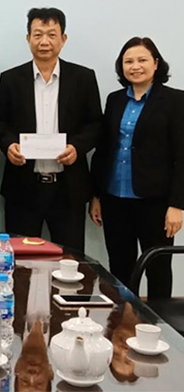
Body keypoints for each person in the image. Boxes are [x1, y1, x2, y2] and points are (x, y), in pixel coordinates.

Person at [0, 8, 102, 252]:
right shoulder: (11, 79)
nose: (44, 41)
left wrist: (77, 147)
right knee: (20, 261)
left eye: (52, 35)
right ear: (28, 38)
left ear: (63, 39)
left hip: (68, 188)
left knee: (70, 261)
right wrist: (9, 145)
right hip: (23, 187)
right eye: (38, 34)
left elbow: (96, 124)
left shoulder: (83, 78)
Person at [90, 37, 184, 299]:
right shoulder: (115, 100)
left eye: (142, 60)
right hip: (114, 198)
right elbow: (104, 149)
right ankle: (121, 324)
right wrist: (96, 195)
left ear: (155, 63)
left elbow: (182, 156)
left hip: (155, 201)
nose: (135, 66)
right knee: (119, 267)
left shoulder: (175, 101)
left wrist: (178, 204)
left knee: (158, 267)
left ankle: (158, 329)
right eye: (128, 61)